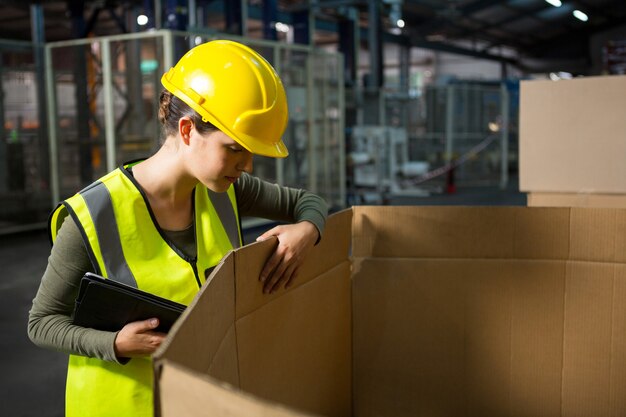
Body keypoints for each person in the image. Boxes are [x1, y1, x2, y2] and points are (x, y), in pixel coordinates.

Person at [28, 39, 328, 417]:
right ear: (187, 130)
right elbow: (42, 324)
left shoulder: (224, 190)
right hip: (120, 406)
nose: (247, 165)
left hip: (198, 399)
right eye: (235, 149)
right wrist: (117, 343)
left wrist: (307, 231)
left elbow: (309, 203)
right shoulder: (92, 215)